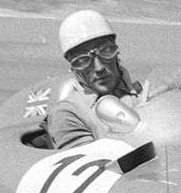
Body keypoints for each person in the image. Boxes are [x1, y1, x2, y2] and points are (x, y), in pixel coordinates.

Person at [45, 9, 138, 149]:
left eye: (106, 52)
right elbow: (88, 166)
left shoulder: (148, 93)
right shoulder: (69, 114)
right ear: (73, 68)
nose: (99, 67)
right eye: (82, 61)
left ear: (116, 52)